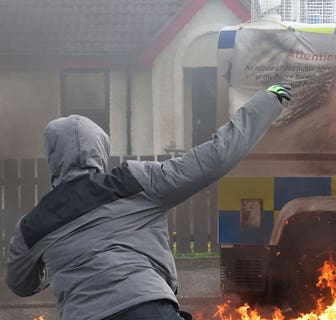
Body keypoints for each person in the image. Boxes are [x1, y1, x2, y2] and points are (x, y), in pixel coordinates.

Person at [5, 84, 292, 320]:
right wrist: (267, 101)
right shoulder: (135, 181)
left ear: (52, 159)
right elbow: (215, 157)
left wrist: (52, 269)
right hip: (150, 308)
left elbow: (19, 283)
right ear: (101, 150)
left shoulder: (32, 226)